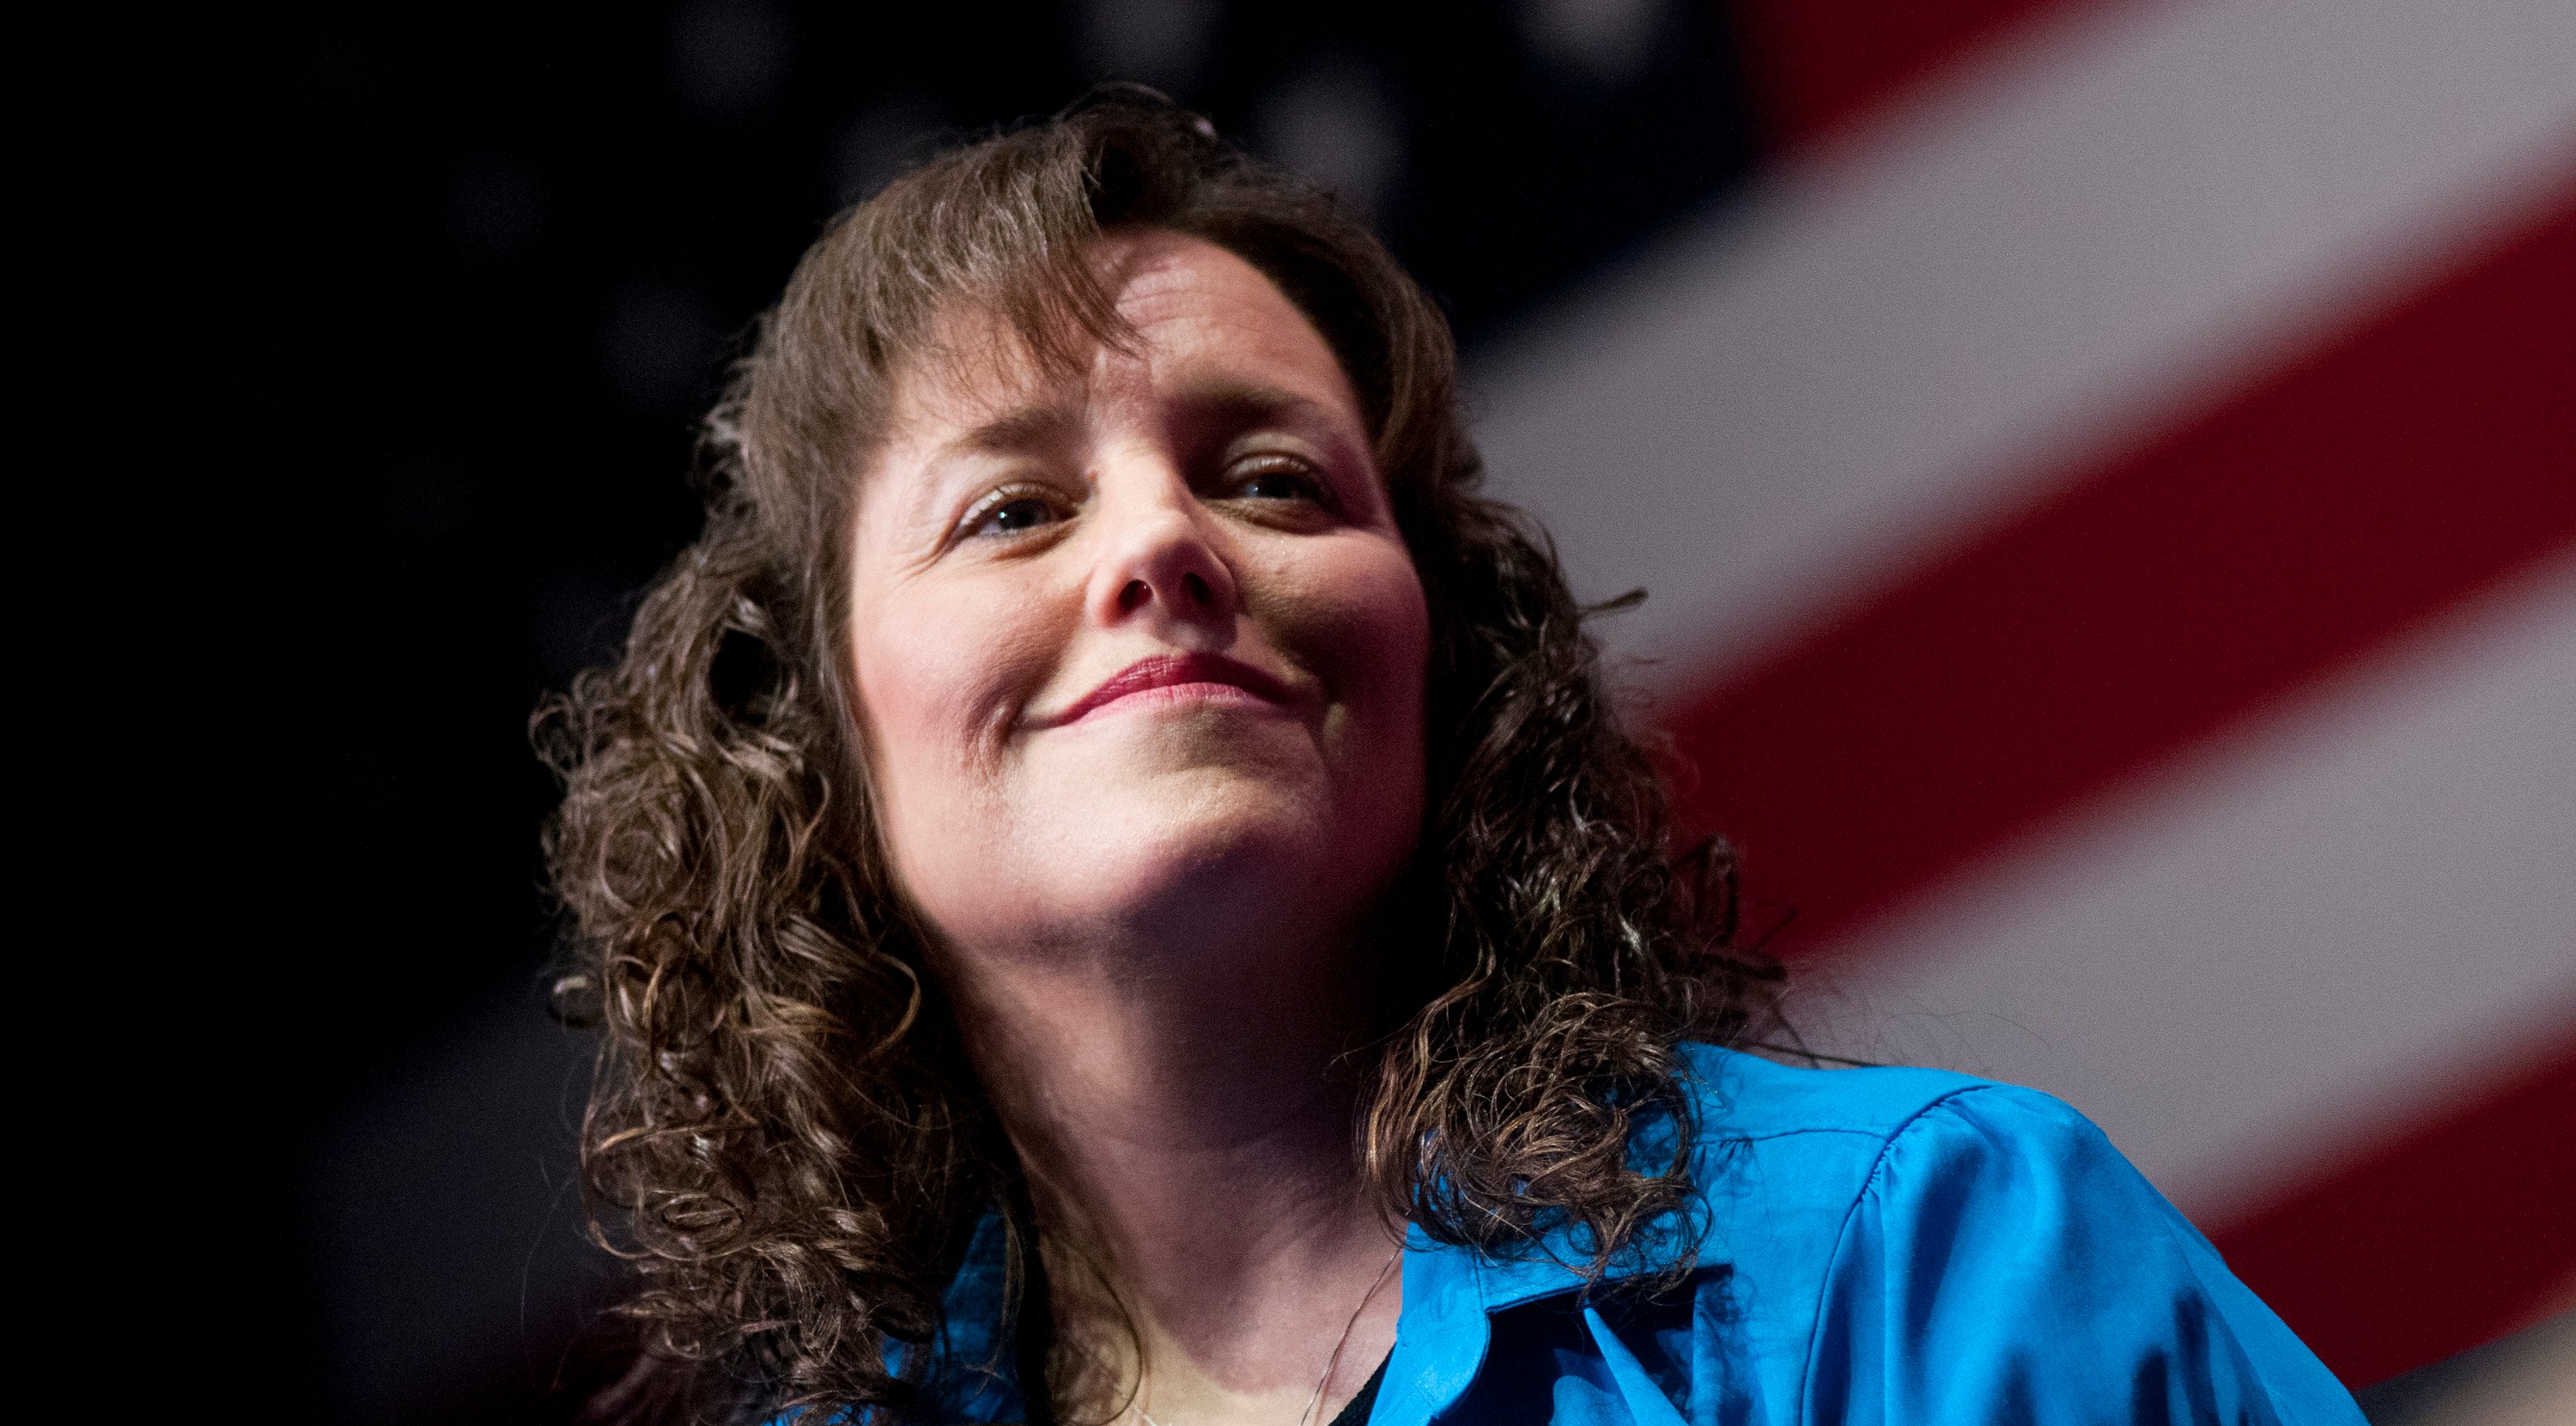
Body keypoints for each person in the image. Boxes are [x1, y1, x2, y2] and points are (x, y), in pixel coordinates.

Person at [538, 90, 2366, 1426]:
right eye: (1013, 509)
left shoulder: (1923, 1264)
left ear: (1447, 655)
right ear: (816, 747)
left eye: (1273, 478)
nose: (1163, 546)